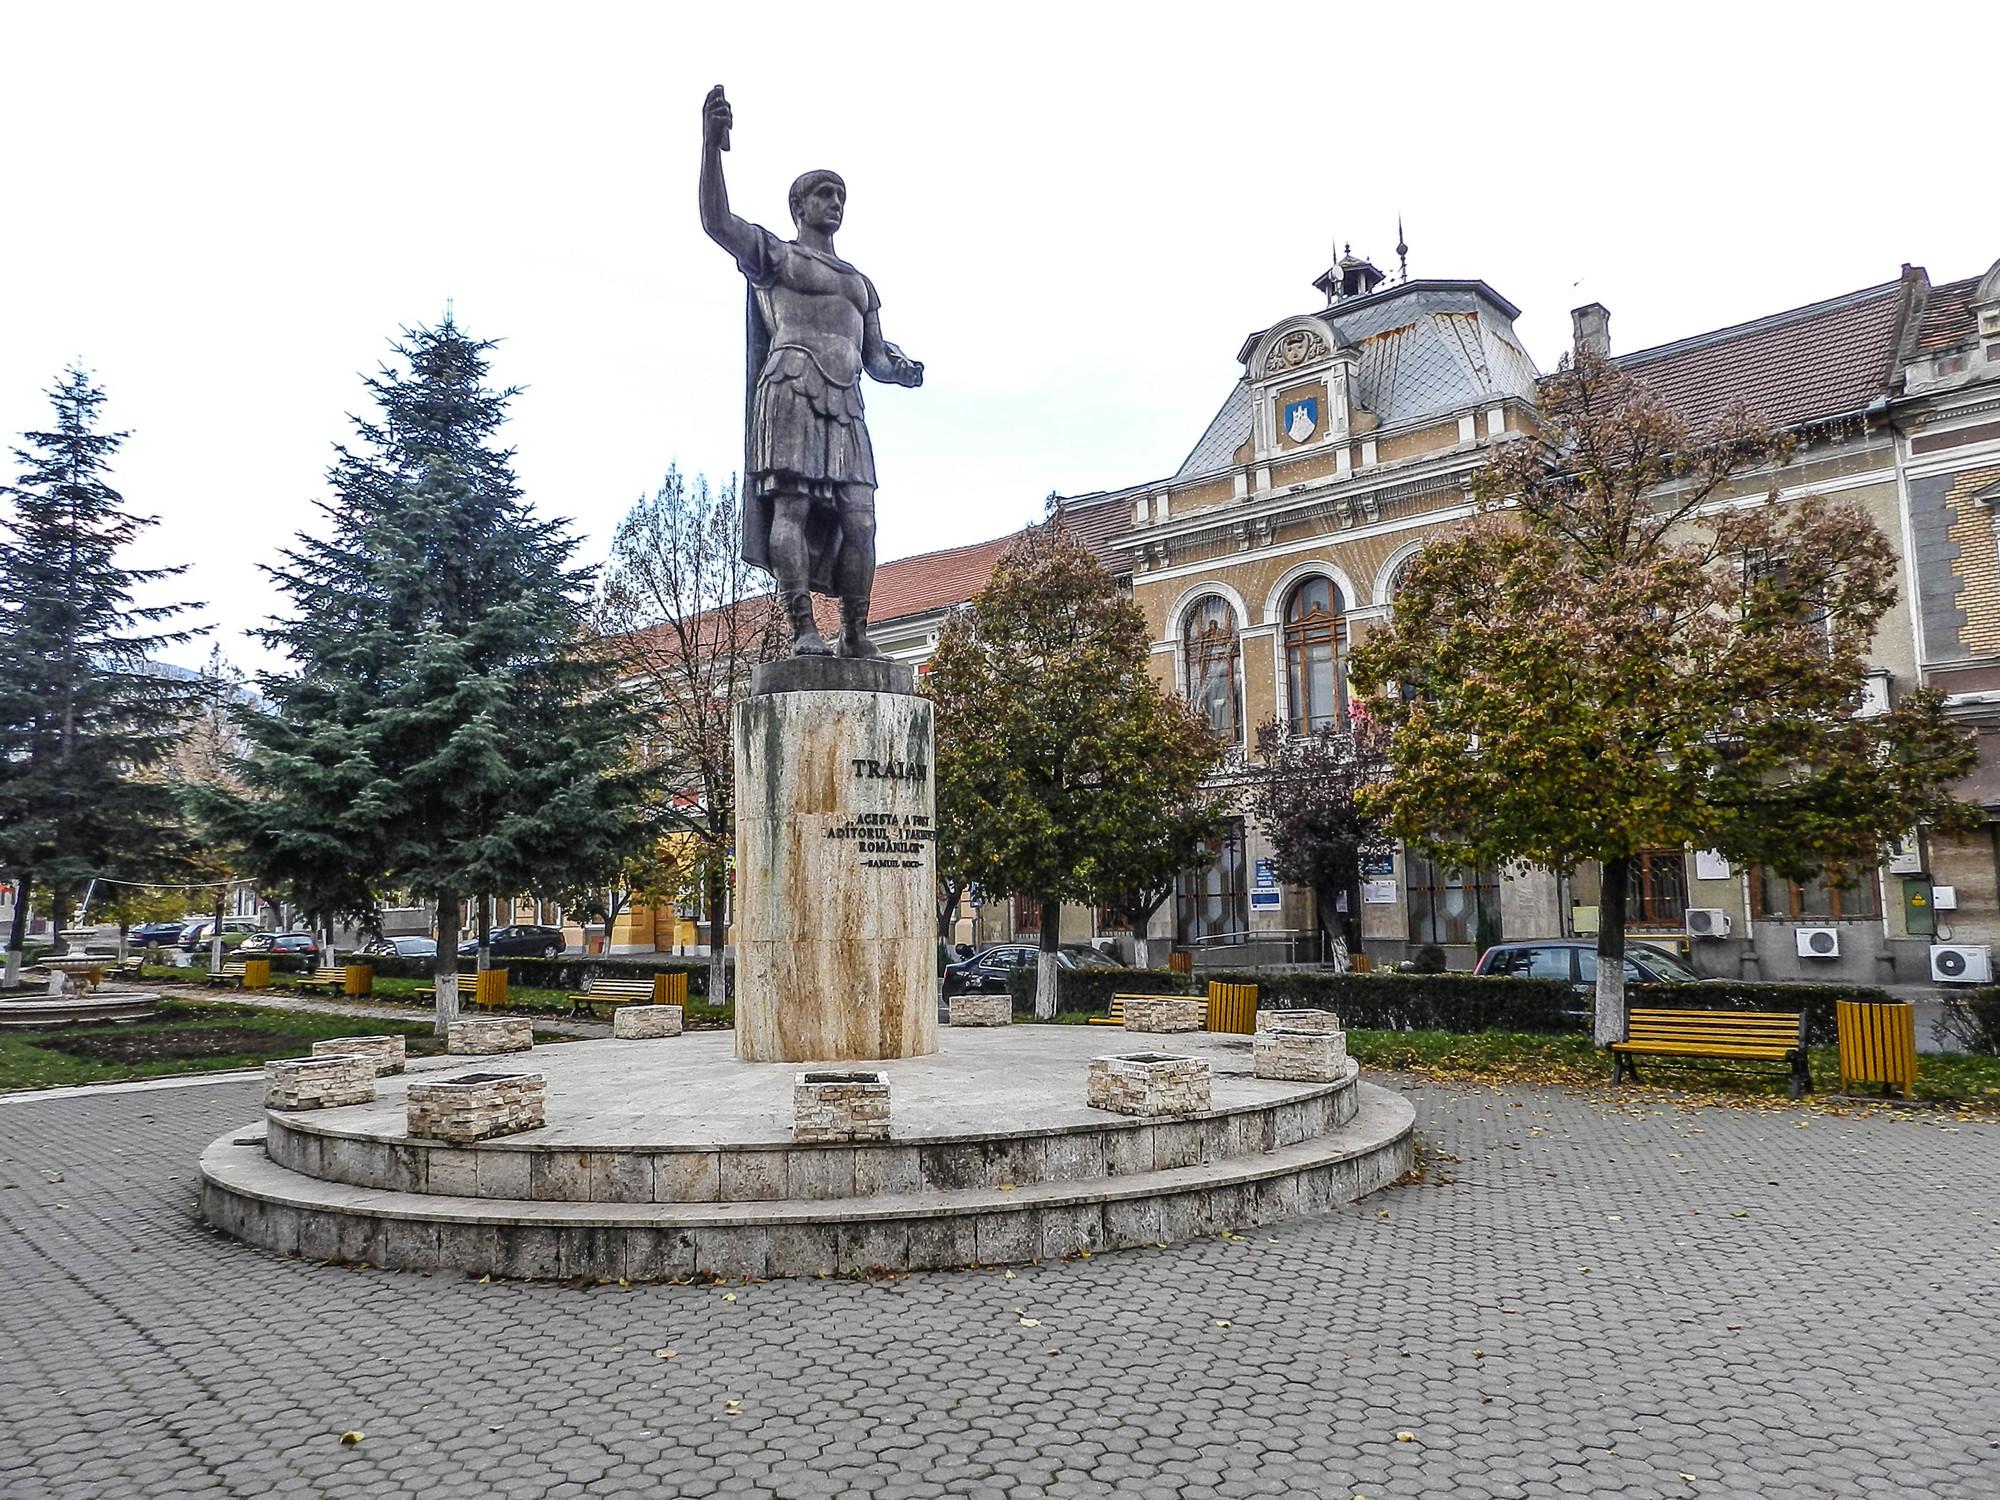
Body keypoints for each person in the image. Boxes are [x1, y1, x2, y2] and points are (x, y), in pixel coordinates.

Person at [698, 84, 924, 658]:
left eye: (840, 195)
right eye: (823, 194)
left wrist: (899, 368)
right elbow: (716, 221)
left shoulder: (858, 282)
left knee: (862, 519)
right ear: (799, 207)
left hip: (846, 400)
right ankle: (803, 627)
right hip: (792, 387)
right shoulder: (777, 256)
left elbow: (874, 356)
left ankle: (855, 630)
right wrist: (710, 149)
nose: (834, 203)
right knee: (791, 507)